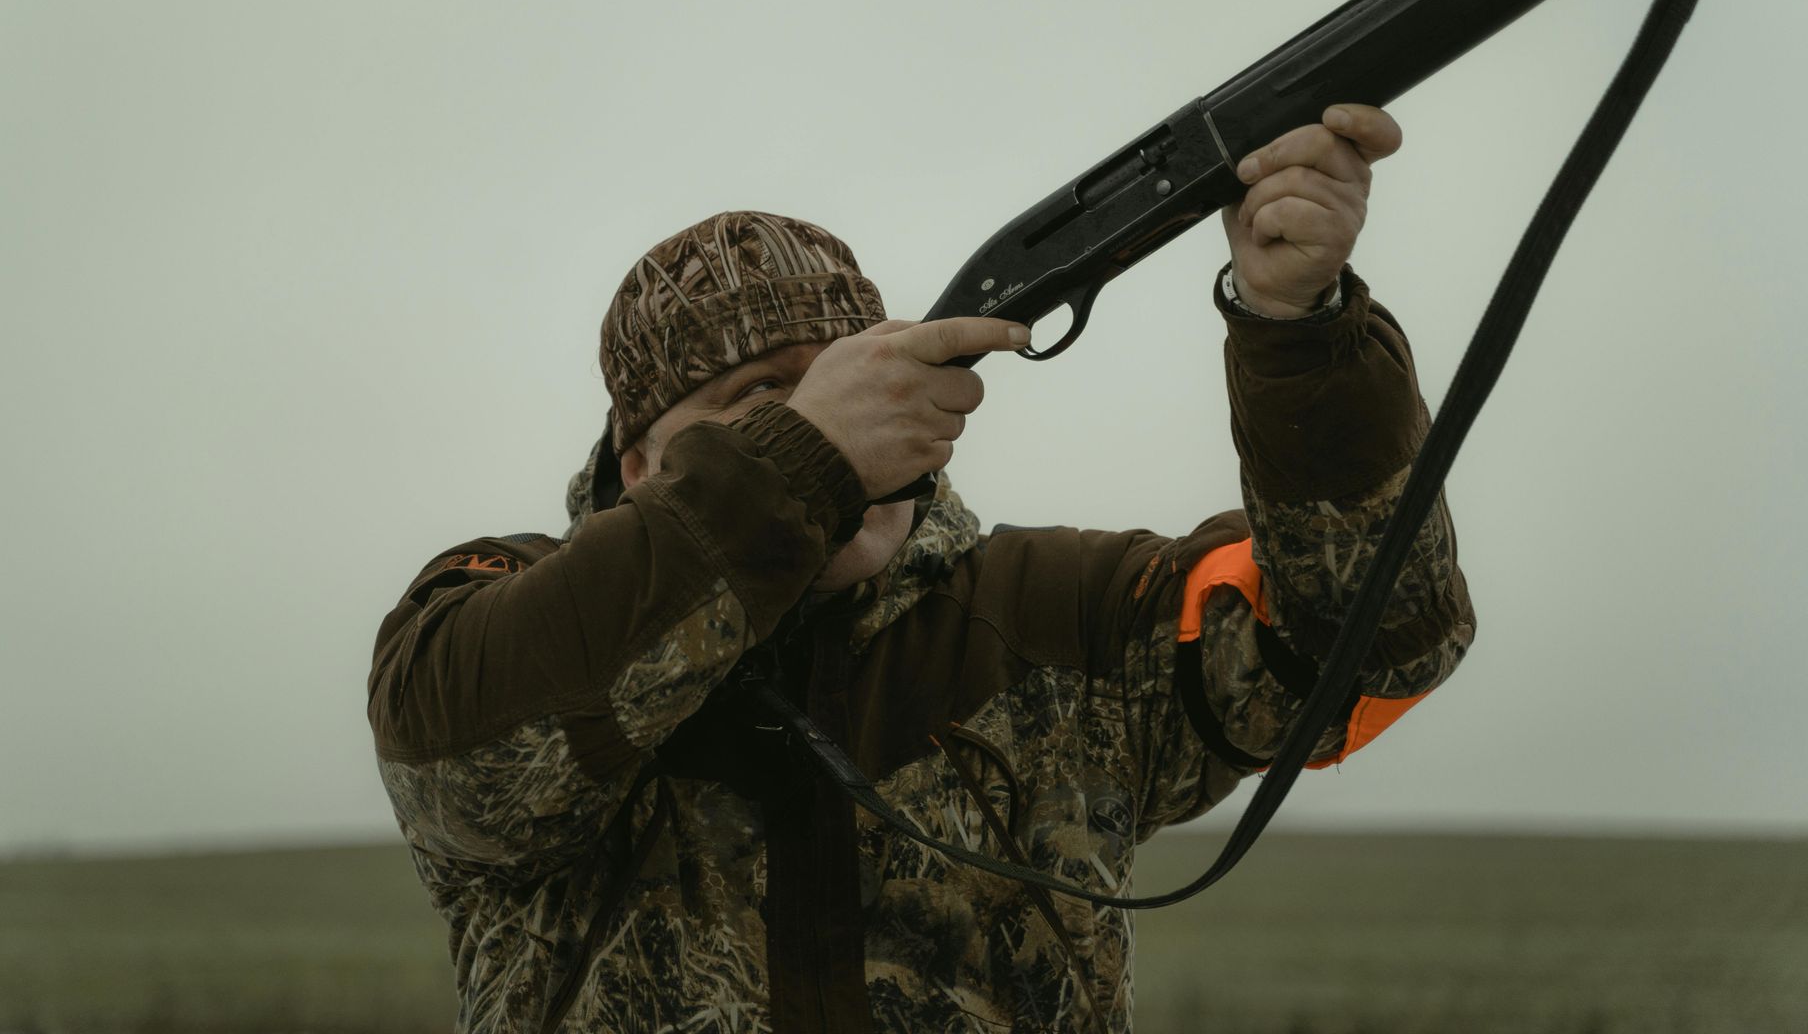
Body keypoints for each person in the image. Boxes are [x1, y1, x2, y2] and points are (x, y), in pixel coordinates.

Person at [367, 104, 1474, 1033]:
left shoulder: (1065, 608)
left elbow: (1377, 645)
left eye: (837, 383)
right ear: (638, 460)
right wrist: (800, 459)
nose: (815, 425)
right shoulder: (497, 616)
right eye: (747, 405)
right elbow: (469, 770)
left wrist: (1302, 331)